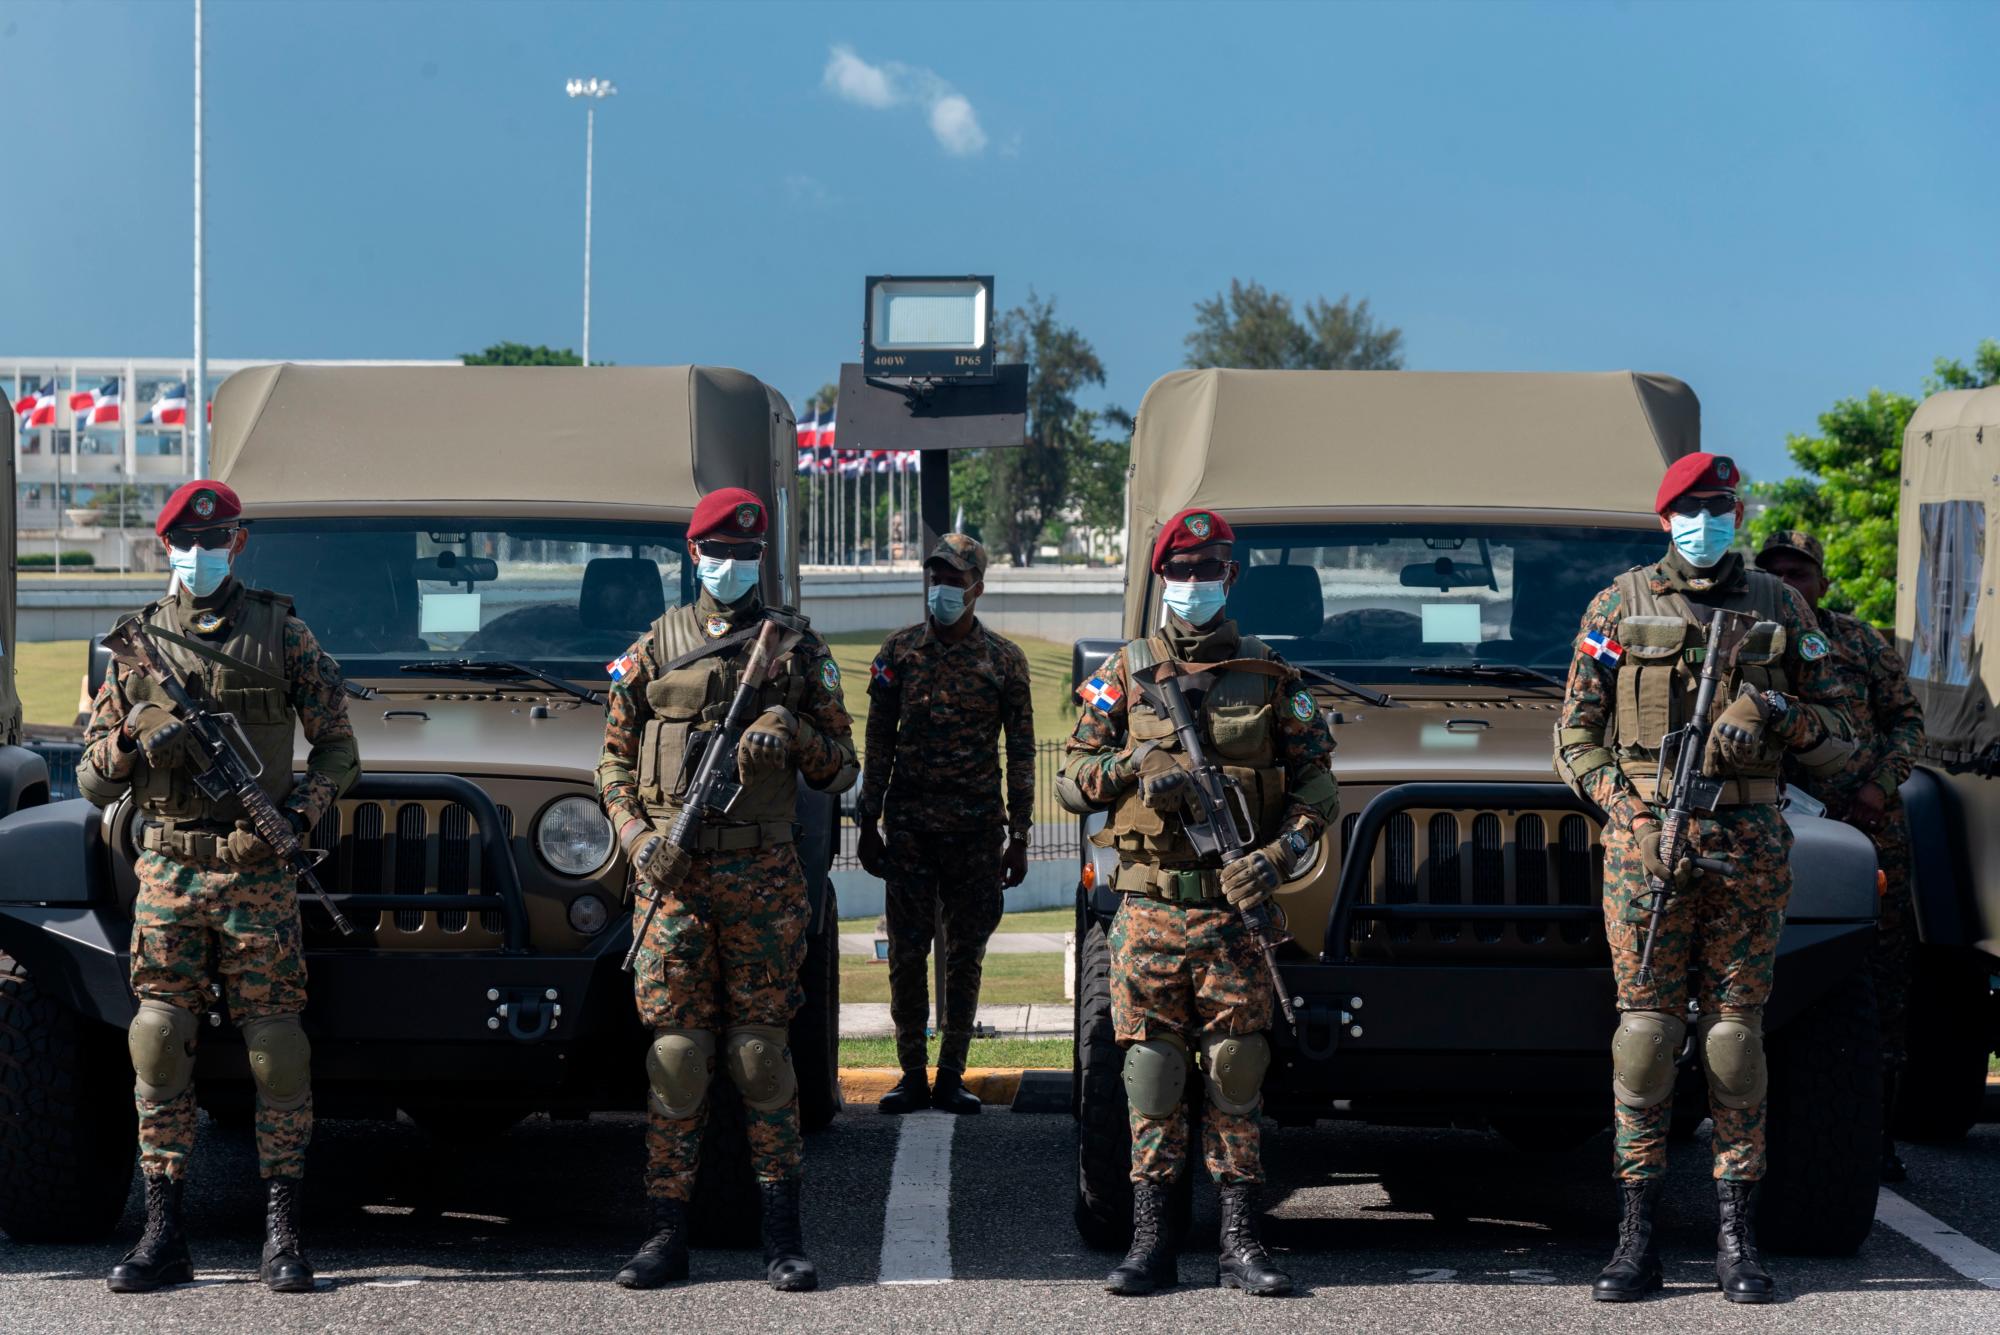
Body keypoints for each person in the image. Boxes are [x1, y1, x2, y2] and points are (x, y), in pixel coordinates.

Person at [1555, 454, 1857, 1305]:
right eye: (1691, 508)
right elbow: (1574, 737)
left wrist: (1773, 710)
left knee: (1733, 1040)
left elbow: (1843, 731)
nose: (1707, 519)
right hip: (1647, 850)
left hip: (1750, 843)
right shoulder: (1618, 606)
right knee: (1646, 1039)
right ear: (1665, 519)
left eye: (1719, 505)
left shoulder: (1780, 605)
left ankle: (1735, 1234)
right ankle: (1635, 1234)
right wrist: (1632, 813)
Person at [77, 480, 360, 1295]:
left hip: (257, 874)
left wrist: (295, 816)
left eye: (217, 539)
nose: (201, 554)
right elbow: (97, 782)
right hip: (166, 871)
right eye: (186, 542)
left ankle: (283, 1232)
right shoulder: (133, 646)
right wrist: (134, 735)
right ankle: (163, 1231)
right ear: (165, 547)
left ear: (237, 545)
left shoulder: (283, 632)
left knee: (277, 1050)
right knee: (159, 1042)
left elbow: (339, 747)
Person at [1060, 507, 1338, 1298]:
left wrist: (1279, 855)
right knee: (1150, 1073)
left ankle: (1242, 1244)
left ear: (1230, 578)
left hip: (1232, 915)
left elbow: (1317, 782)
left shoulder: (1271, 675)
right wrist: (1131, 767)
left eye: (1208, 570)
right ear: (1162, 580)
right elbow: (1070, 777)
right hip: (1148, 910)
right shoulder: (1124, 674)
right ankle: (1152, 1244)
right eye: (1180, 572)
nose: (1193, 585)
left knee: (1234, 1072)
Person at [596, 487, 857, 1293]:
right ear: (693, 552)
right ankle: (665, 1235)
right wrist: (640, 843)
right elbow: (610, 762)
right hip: (673, 881)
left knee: (761, 1057)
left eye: (748, 555)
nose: (733, 566)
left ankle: (781, 1235)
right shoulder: (649, 649)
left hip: (762, 878)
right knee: (677, 1058)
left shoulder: (798, 652)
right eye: (720, 552)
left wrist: (796, 732)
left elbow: (844, 764)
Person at [1755, 529, 1923, 1182]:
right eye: (1773, 572)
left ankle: (1872, 1138)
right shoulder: (1743, 638)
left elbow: (1907, 721)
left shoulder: (1858, 642)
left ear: (1822, 582)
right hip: (1773, 830)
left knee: (1880, 986)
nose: (1787, 582)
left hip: (1866, 829)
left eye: (1798, 572)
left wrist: (1879, 787)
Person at [856, 534, 1035, 1116]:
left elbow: (1024, 751)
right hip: (909, 828)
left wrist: (1022, 836)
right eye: (936, 579)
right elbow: (879, 738)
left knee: (966, 953)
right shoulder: (898, 651)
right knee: (906, 954)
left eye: (955, 581)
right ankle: (911, 1073)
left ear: (977, 587)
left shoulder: (1004, 660)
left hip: (977, 832)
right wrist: (868, 818)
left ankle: (951, 1072)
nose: (943, 590)